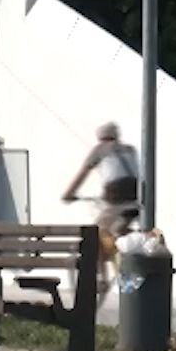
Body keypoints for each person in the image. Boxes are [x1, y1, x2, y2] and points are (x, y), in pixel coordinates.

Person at [61, 123, 142, 308]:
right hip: (136, 203)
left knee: (94, 234)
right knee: (119, 230)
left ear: (100, 137)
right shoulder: (130, 149)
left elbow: (80, 176)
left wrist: (68, 195)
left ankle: (102, 279)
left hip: (115, 202)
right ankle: (125, 255)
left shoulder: (99, 150)